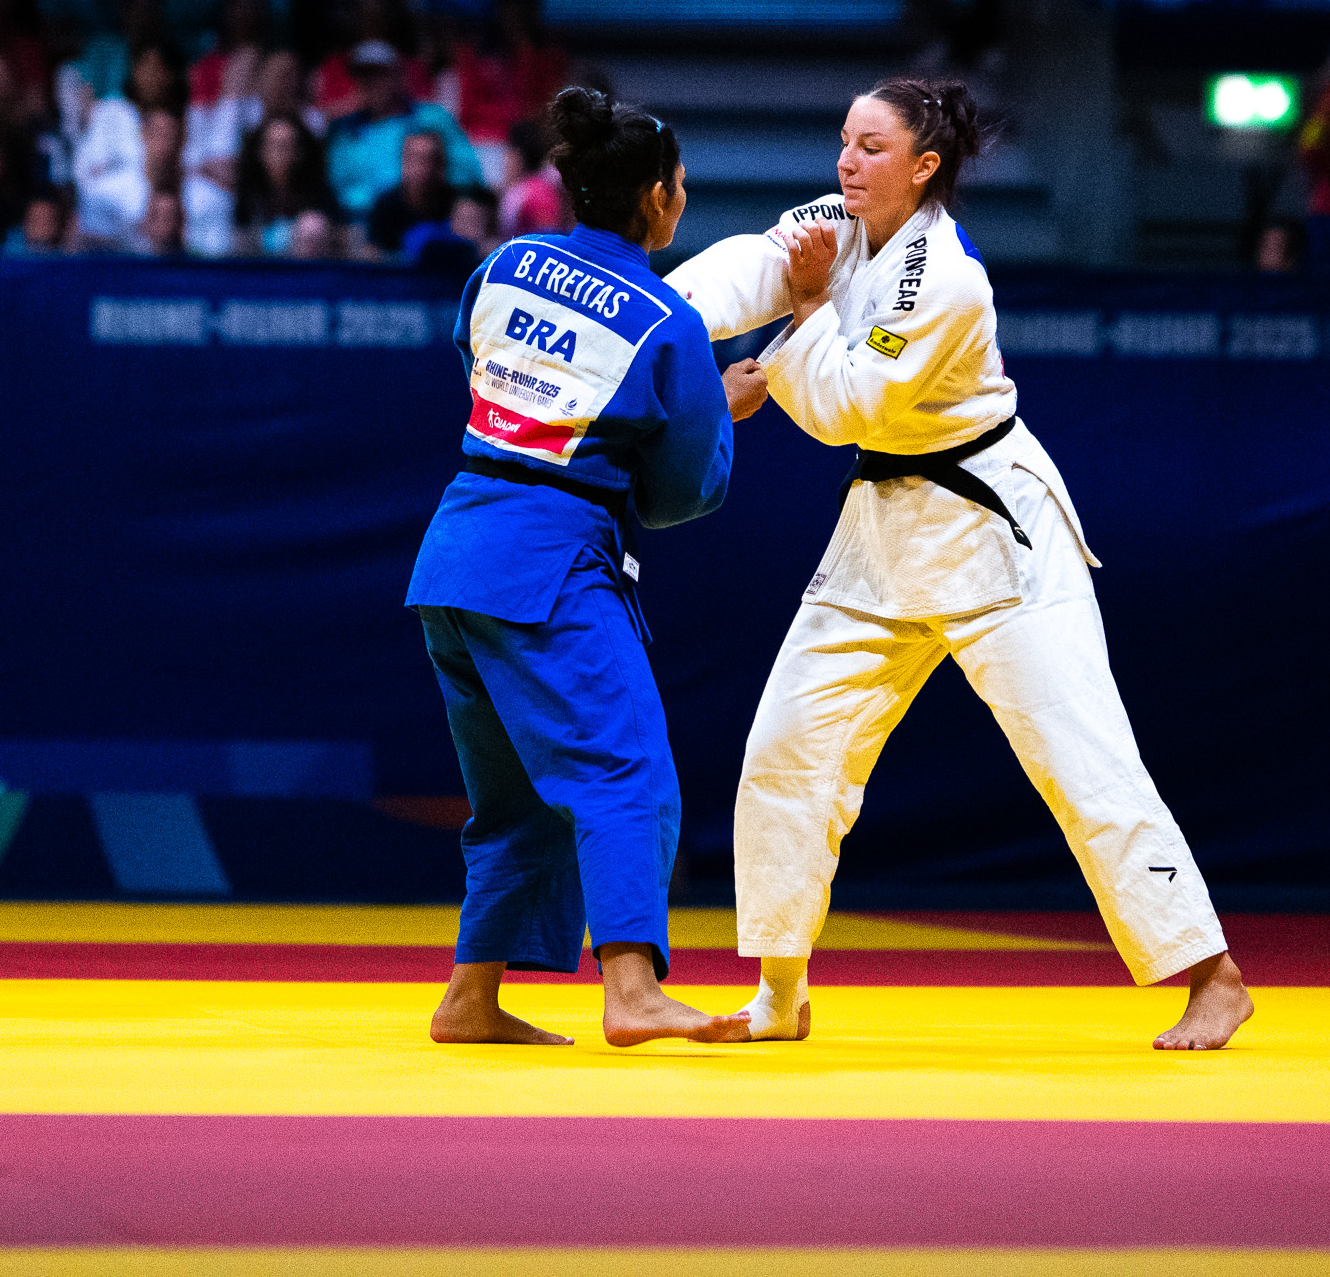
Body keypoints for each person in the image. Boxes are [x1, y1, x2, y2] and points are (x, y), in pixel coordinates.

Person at [666, 78, 1251, 1051]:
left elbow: (851, 407)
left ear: (923, 166)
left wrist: (807, 312)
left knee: (1080, 758)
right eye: (844, 141)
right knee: (788, 750)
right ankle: (779, 991)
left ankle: (1211, 974)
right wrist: (654, 329)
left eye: (871, 147)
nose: (847, 162)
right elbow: (748, 268)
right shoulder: (839, 222)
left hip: (993, 529)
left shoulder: (943, 277)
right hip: (881, 533)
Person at [406, 85, 750, 1051]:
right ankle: (633, 989)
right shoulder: (667, 320)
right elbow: (681, 493)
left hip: (455, 553)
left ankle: (470, 998)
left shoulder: (504, 263)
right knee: (623, 770)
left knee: (517, 797)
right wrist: (719, 407)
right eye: (681, 183)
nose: (684, 196)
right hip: (549, 568)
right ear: (655, 197)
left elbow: (485, 370)